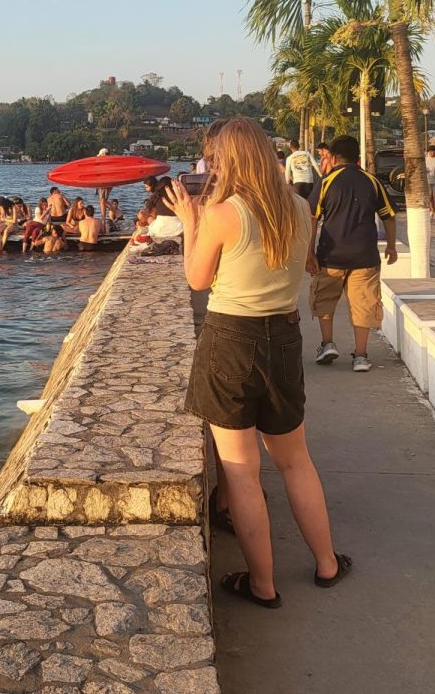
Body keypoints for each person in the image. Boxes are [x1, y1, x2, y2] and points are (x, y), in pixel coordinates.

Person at [165, 116, 348, 608]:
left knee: (242, 472)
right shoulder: (297, 206)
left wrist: (190, 222)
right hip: (284, 337)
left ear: (226, 160)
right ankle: (327, 563)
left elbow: (197, 280)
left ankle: (264, 586)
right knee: (295, 461)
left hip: (232, 339)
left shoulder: (225, 213)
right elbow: (299, 264)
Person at [307, 134, 398, 372]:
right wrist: (391, 245)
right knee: (364, 304)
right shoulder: (371, 181)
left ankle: (327, 344)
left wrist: (309, 253)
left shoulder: (326, 182)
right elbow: (388, 215)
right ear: (357, 155)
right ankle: (361, 356)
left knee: (325, 300)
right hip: (365, 256)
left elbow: (312, 218)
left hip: (331, 255)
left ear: (334, 156)